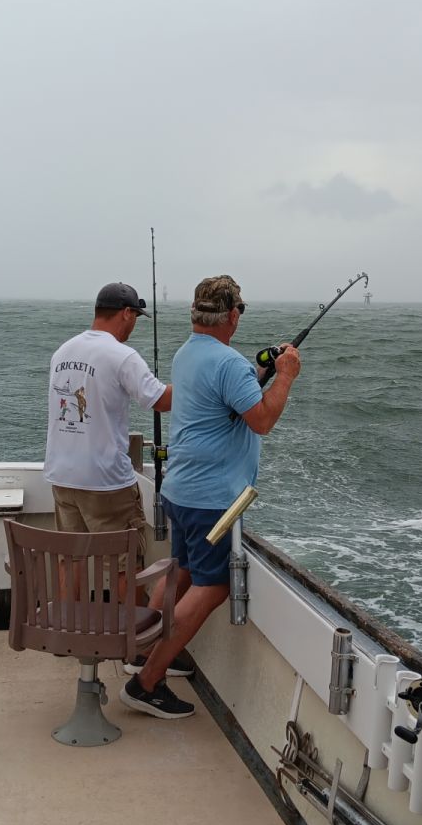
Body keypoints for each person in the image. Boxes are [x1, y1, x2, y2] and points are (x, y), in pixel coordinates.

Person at [120, 274, 300, 720]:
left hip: (180, 491)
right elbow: (262, 420)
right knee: (212, 586)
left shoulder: (187, 353)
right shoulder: (229, 364)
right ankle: (145, 683)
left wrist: (260, 373)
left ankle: (139, 652)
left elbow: (225, 396)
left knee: (180, 571)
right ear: (233, 315)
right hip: (212, 500)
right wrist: (285, 376)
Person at [43, 282, 173, 602]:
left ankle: (70, 627)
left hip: (62, 476)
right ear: (126, 313)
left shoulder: (63, 352)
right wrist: (198, 385)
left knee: (70, 558)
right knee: (123, 563)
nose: (134, 325)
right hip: (106, 482)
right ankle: (129, 630)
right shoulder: (122, 355)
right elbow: (159, 400)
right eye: (135, 317)